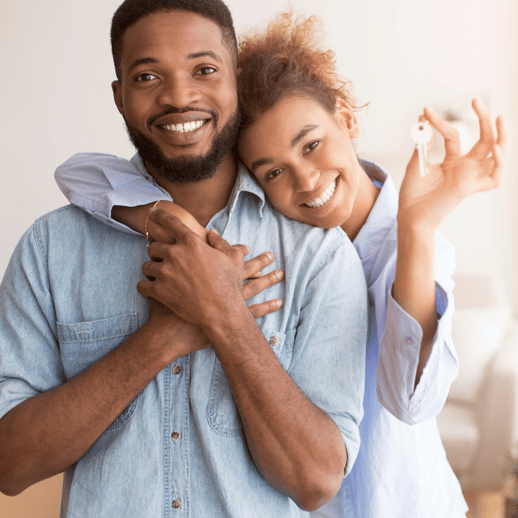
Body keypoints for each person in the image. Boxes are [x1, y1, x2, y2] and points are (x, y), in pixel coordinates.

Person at [54, 12, 506, 518]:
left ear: (348, 120)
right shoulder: (277, 243)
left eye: (311, 145)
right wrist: (173, 219)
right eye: (274, 171)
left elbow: (411, 402)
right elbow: (79, 175)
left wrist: (418, 228)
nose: (308, 181)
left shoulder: (409, 244)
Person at [0, 2, 369, 518]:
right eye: (148, 75)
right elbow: (9, 465)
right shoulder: (50, 249)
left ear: (235, 80)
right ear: (119, 96)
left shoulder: (317, 255)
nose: (178, 96)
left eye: (204, 69)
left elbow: (315, 482)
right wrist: (162, 338)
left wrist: (225, 314)